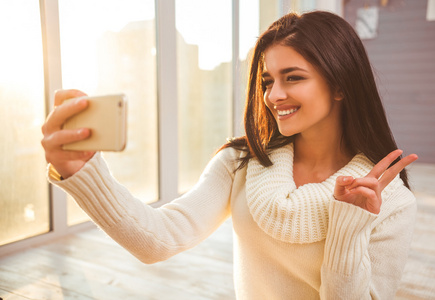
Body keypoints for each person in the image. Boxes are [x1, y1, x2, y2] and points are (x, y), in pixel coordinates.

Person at [41, 10, 419, 299]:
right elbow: (157, 239)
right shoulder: (242, 162)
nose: (273, 96)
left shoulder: (391, 201)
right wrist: (82, 171)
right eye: (268, 81)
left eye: (293, 77)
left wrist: (349, 226)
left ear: (340, 84)